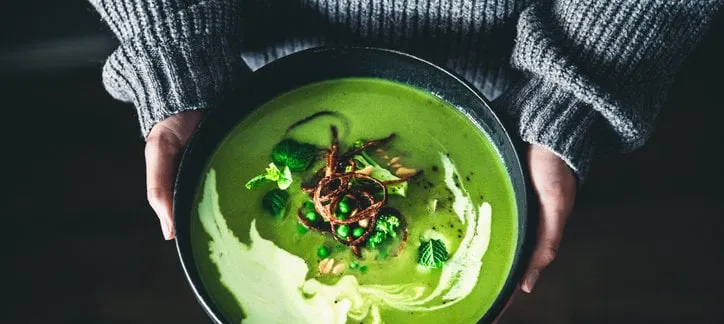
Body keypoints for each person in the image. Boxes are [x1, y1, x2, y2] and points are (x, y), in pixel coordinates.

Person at [88, 0, 721, 296]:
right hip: (264, 73)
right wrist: (172, 43)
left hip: (501, 98)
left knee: (460, 323)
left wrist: (573, 94)